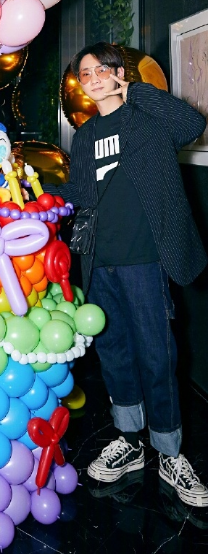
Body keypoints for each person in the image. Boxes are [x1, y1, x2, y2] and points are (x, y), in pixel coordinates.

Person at [43, 41, 208, 508]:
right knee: (113, 352)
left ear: (118, 72)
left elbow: (192, 124)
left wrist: (133, 90)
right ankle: (129, 440)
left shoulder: (148, 120)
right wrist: (36, 190)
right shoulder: (86, 135)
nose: (93, 79)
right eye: (86, 73)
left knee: (157, 355)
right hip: (99, 261)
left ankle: (170, 453)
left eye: (102, 70)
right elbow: (79, 191)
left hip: (145, 259)